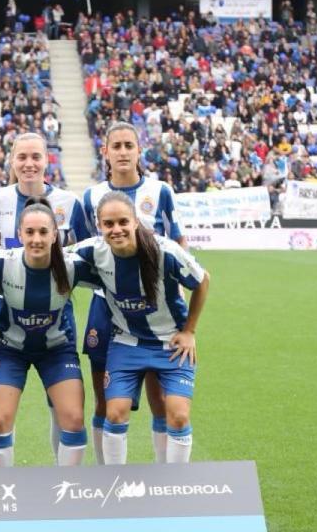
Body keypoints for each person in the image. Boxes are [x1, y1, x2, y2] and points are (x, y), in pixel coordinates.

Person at [72, 191, 209, 464]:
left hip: (171, 343)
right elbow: (51, 255)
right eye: (108, 224)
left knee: (178, 415)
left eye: (123, 221)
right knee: (114, 413)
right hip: (126, 342)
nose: (117, 229)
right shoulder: (93, 250)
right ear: (99, 226)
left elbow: (202, 280)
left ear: (135, 221)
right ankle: (114, 480)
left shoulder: (165, 251)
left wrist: (189, 331)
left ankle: (172, 481)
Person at [81, 122, 185, 464]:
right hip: (105, 308)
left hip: (155, 310)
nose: (123, 152)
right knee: (105, 402)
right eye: (117, 146)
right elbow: (82, 251)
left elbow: (178, 244)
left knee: (160, 399)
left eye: (129, 145)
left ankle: (163, 478)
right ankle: (106, 476)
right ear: (105, 152)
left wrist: (179, 302)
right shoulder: (91, 196)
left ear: (139, 150)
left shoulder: (160, 191)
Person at [0, 132, 89, 461]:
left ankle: (65, 485)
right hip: (8, 328)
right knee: (1, 418)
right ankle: (3, 489)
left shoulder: (69, 203)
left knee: (67, 414)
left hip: (57, 329)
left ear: (47, 160)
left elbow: (86, 255)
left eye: (36, 157)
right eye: (22, 157)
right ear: (12, 161)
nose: (29, 163)